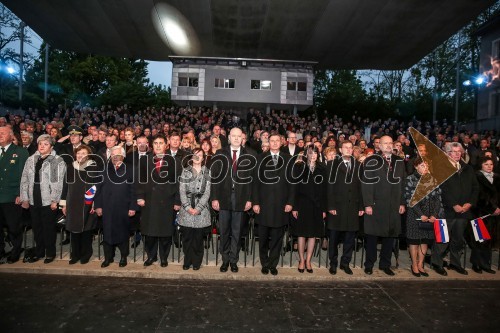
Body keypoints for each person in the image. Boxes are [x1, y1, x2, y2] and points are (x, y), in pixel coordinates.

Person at [211, 127, 255, 273]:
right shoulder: (220, 153)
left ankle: (234, 260)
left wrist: (250, 199)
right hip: (223, 197)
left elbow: (251, 180)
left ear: (242, 138)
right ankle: (225, 260)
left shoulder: (249, 154)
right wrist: (214, 198)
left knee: (237, 232)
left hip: (241, 198)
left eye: (239, 136)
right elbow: (215, 178)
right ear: (229, 137)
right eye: (233, 136)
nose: (236, 138)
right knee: (224, 231)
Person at [431, 142, 479, 276]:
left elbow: (475, 188)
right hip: (446, 210)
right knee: (442, 239)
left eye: (459, 152)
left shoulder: (468, 168)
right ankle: (437, 263)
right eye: (454, 151)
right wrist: (453, 204)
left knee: (458, 240)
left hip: (464, 211)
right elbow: (441, 188)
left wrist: (469, 203)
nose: (457, 154)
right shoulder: (441, 168)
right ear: (447, 153)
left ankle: (455, 263)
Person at [361, 135, 406, 276]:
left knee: (390, 236)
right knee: (372, 236)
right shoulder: (371, 161)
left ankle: (385, 264)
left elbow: (403, 184)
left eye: (390, 143)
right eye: (385, 143)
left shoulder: (399, 161)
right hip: (376, 204)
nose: (388, 145)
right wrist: (368, 204)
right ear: (378, 146)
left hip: (393, 206)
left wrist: (402, 202)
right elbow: (366, 184)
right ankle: (369, 264)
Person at [253, 134, 295, 276]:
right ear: (268, 142)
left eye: (277, 140)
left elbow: (292, 183)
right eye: (272, 141)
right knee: (263, 237)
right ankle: (264, 263)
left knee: (277, 238)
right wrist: (256, 202)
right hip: (263, 205)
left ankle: (273, 264)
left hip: (281, 205)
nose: (275, 143)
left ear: (282, 142)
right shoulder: (260, 158)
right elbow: (255, 183)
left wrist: (290, 202)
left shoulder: (288, 159)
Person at [20, 134, 66, 264]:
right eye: (40, 144)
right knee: (36, 227)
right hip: (33, 196)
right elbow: (24, 179)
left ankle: (50, 253)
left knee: (48, 228)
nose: (42, 146)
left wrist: (54, 200)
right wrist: (25, 197)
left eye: (46, 144)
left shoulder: (57, 160)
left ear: (51, 146)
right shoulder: (31, 159)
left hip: (48, 198)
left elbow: (58, 182)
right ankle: (39, 252)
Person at [136, 135, 181, 267]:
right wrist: (140, 196)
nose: (158, 145)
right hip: (149, 201)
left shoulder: (175, 161)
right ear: (152, 145)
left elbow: (179, 183)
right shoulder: (144, 160)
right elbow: (140, 181)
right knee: (149, 232)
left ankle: (164, 257)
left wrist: (177, 201)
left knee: (165, 232)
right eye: (155, 143)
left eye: (161, 143)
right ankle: (151, 256)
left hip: (167, 202)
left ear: (166, 145)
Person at [94, 146, 138, 268]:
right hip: (106, 207)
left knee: (123, 233)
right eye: (113, 155)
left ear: (123, 157)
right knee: (107, 233)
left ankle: (124, 256)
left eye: (118, 155)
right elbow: (97, 189)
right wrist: (97, 205)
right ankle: (108, 257)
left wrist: (133, 207)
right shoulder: (104, 169)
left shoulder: (131, 169)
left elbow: (134, 190)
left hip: (124, 207)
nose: (115, 157)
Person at [326, 140, 364, 275]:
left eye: (350, 148)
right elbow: (329, 187)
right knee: (334, 238)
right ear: (340, 150)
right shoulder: (332, 164)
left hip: (353, 208)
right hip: (337, 207)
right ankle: (333, 263)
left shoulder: (358, 165)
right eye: (345, 148)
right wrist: (330, 206)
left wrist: (361, 206)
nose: (348, 150)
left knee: (349, 238)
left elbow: (361, 188)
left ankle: (345, 262)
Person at [60, 145, 99, 265]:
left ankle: (85, 254)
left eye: (83, 153)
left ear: (88, 155)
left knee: (86, 231)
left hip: (87, 203)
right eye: (78, 153)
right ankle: (75, 254)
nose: (80, 155)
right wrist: (64, 204)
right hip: (72, 203)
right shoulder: (70, 167)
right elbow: (65, 186)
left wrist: (94, 203)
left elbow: (96, 187)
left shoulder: (93, 167)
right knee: (74, 231)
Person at [404, 157, 442, 277]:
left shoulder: (432, 180)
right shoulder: (411, 179)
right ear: (416, 166)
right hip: (414, 214)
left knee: (425, 241)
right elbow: (410, 199)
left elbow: (437, 199)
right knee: (414, 241)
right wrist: (421, 214)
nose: (424, 168)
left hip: (430, 215)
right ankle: (414, 265)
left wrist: (434, 215)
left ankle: (421, 264)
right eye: (422, 165)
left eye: (426, 166)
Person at [292, 146, 326, 273]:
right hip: (302, 205)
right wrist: (294, 207)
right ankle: (301, 260)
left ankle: (308, 260)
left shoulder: (322, 168)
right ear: (306, 154)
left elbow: (324, 190)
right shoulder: (299, 167)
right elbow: (294, 188)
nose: (313, 155)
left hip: (317, 205)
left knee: (313, 234)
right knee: (301, 234)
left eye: (316, 153)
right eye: (311, 152)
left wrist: (323, 209)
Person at [178, 148, 211, 270]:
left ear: (203, 158)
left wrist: (198, 208)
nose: (197, 157)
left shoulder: (207, 172)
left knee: (197, 239)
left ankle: (196, 261)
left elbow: (207, 192)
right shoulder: (185, 171)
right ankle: (187, 260)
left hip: (201, 211)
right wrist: (187, 207)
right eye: (195, 155)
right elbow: (181, 190)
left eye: (200, 155)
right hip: (186, 209)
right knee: (187, 238)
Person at [0, 126, 29, 263]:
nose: (0, 135)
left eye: (3, 133)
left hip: (11, 196)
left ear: (11, 136)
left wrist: (20, 193)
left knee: (13, 227)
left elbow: (24, 175)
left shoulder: (20, 152)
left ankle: (16, 250)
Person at [470, 156, 499, 274]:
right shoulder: (477, 177)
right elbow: (479, 197)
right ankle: (476, 264)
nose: (489, 167)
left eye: (491, 164)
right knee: (480, 239)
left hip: (495, 215)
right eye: (486, 164)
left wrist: (497, 209)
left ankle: (486, 264)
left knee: (490, 240)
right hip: (480, 213)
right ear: (481, 165)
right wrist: (492, 208)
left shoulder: (497, 178)